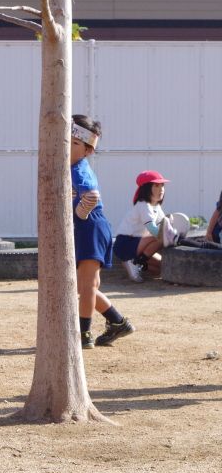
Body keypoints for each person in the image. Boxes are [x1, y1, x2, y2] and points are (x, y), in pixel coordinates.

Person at [71, 114, 135, 349]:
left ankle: (84, 334)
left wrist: (79, 213)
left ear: (88, 150)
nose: (69, 146)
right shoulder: (73, 166)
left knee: (86, 287)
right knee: (85, 286)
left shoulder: (78, 170)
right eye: (67, 140)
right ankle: (117, 322)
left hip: (91, 226)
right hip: (92, 226)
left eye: (76, 144)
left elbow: (91, 195)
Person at [114, 170, 177, 282]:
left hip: (138, 245)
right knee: (163, 236)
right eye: (156, 186)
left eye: (162, 185)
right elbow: (154, 229)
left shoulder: (156, 207)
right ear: (146, 189)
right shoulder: (143, 205)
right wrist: (172, 236)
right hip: (125, 243)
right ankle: (135, 262)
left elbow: (163, 224)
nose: (161, 189)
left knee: (161, 268)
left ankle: (135, 263)